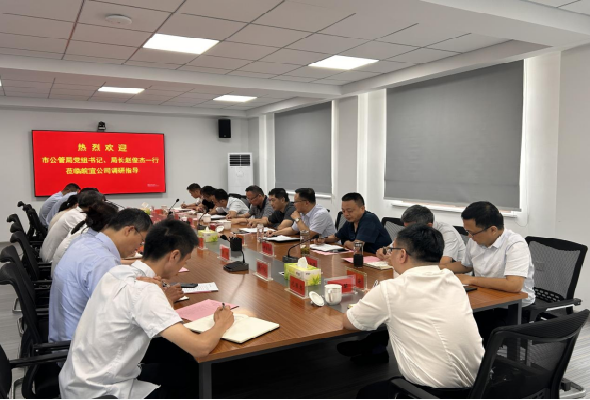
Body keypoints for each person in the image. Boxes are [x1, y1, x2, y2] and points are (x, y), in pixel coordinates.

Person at [59, 219, 235, 399]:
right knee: (196, 380)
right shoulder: (145, 291)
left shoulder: (116, 272)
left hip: (77, 380)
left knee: (182, 366)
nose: (182, 267)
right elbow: (200, 347)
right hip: (102, 391)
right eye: (185, 260)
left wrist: (162, 297)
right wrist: (222, 323)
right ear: (174, 255)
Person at [344, 225, 484, 399]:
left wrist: (373, 298)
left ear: (402, 254)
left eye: (392, 250)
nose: (390, 254)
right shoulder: (453, 280)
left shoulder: (390, 290)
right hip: (481, 386)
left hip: (434, 393)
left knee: (366, 394)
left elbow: (349, 323)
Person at [49, 207, 159, 343]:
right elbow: (118, 315)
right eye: (141, 241)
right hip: (79, 345)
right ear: (129, 230)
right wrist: (152, 293)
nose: (139, 247)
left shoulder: (85, 241)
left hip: (65, 334)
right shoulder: (103, 260)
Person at [443, 201, 535, 340]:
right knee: (449, 320)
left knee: (470, 332)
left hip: (513, 308)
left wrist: (472, 280)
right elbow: (466, 266)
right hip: (486, 299)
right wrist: (435, 267)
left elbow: (514, 285)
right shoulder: (475, 241)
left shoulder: (515, 245)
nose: (469, 237)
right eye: (467, 232)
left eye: (472, 233)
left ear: (492, 230)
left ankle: (481, 355)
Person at [377, 205, 466, 264]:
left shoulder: (447, 233)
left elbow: (444, 264)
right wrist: (383, 251)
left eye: (411, 228)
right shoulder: (412, 230)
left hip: (456, 277)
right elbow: (391, 248)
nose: (408, 231)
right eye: (406, 228)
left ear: (429, 226)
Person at [40, 189, 104, 263]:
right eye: (102, 205)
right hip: (52, 260)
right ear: (93, 206)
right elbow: (90, 241)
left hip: (53, 256)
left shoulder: (76, 213)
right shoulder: (77, 217)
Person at [319, 193, 391, 253]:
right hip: (361, 256)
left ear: (362, 209)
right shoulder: (351, 221)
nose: (346, 214)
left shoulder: (369, 219)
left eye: (349, 211)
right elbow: (336, 237)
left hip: (379, 259)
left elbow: (357, 246)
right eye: (343, 211)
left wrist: (346, 242)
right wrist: (323, 240)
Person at [270, 188, 336, 239]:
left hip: (329, 247)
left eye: (296, 202)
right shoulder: (302, 212)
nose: (294, 204)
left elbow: (307, 236)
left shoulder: (321, 214)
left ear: (306, 203)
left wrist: (298, 219)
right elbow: (292, 230)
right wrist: (274, 233)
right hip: (314, 245)